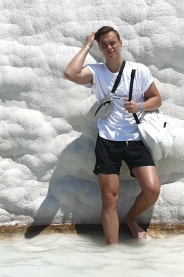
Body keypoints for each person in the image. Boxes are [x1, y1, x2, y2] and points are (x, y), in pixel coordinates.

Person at [64, 26, 162, 245]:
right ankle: (112, 253)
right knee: (109, 198)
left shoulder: (138, 70)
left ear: (120, 43)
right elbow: (70, 73)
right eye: (104, 45)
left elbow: (157, 99)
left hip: (135, 139)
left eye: (112, 43)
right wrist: (87, 45)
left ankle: (131, 219)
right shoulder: (97, 72)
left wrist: (139, 106)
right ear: (100, 49)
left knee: (152, 189)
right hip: (108, 141)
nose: (109, 48)